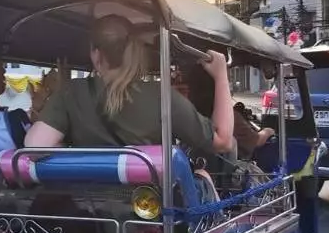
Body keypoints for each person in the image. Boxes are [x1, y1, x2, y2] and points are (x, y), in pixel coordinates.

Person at [25, 15, 234, 157]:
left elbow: (34, 148)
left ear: (96, 55)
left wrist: (68, 147)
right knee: (202, 176)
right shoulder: (161, 96)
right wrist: (221, 76)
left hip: (86, 204)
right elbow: (223, 141)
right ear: (134, 51)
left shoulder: (70, 92)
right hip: (149, 205)